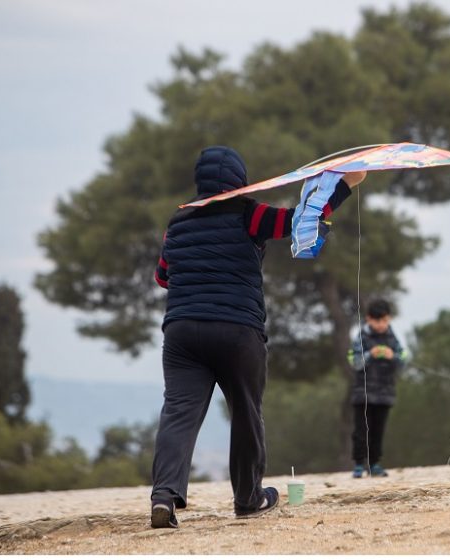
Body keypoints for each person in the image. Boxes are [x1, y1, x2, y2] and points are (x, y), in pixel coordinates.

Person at [150, 146, 366, 528]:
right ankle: (248, 498)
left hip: (182, 332)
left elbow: (162, 277)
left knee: (178, 413)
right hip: (237, 330)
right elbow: (300, 220)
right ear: (240, 181)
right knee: (246, 413)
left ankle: (164, 495)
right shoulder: (249, 214)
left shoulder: (177, 221)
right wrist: (346, 184)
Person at [348, 298, 407, 478]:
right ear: (368, 319)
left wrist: (393, 356)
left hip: (385, 393)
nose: (381, 325)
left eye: (384, 320)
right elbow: (354, 362)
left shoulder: (393, 337)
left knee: (378, 430)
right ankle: (359, 464)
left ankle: (375, 464)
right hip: (363, 394)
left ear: (388, 319)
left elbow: (403, 361)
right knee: (361, 430)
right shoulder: (361, 336)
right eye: (377, 320)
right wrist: (369, 355)